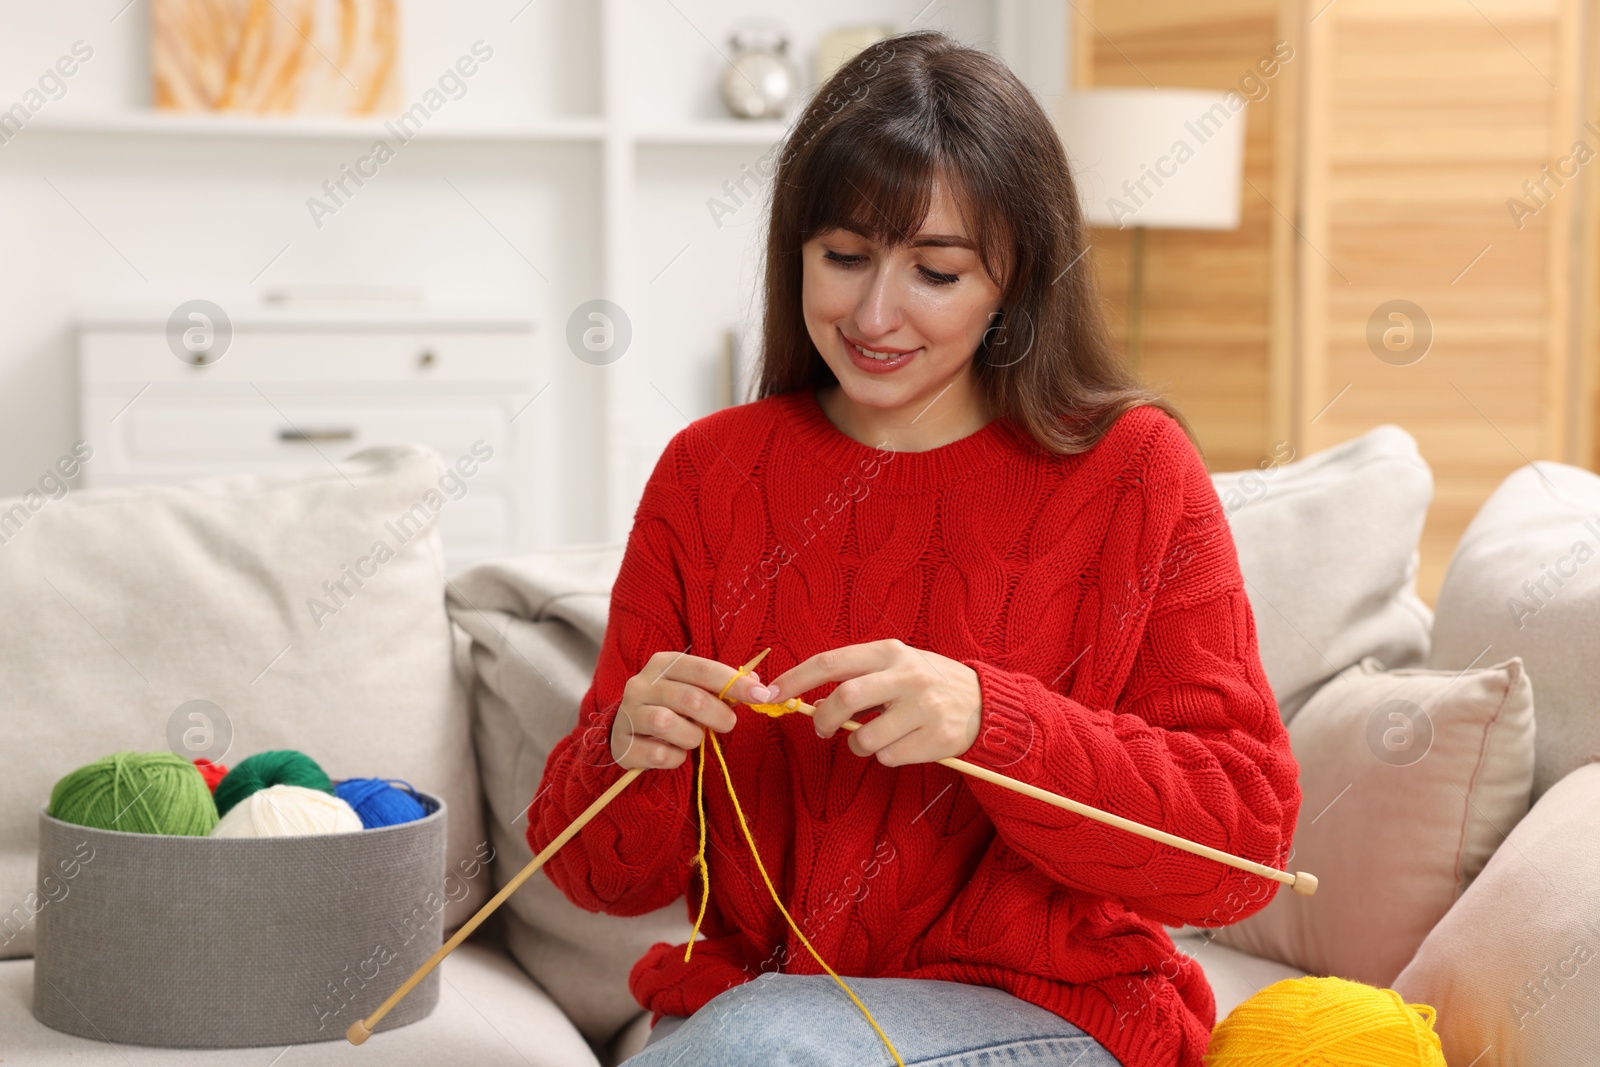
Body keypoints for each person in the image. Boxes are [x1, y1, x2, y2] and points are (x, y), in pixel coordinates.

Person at [526, 29, 1301, 1067]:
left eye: (935, 272)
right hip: (758, 1019)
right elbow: (600, 881)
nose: (874, 313)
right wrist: (629, 746)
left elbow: (1240, 850)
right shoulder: (709, 475)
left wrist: (996, 722)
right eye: (842, 258)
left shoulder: (1131, 470)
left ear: (1014, 279)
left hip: (1048, 1012)